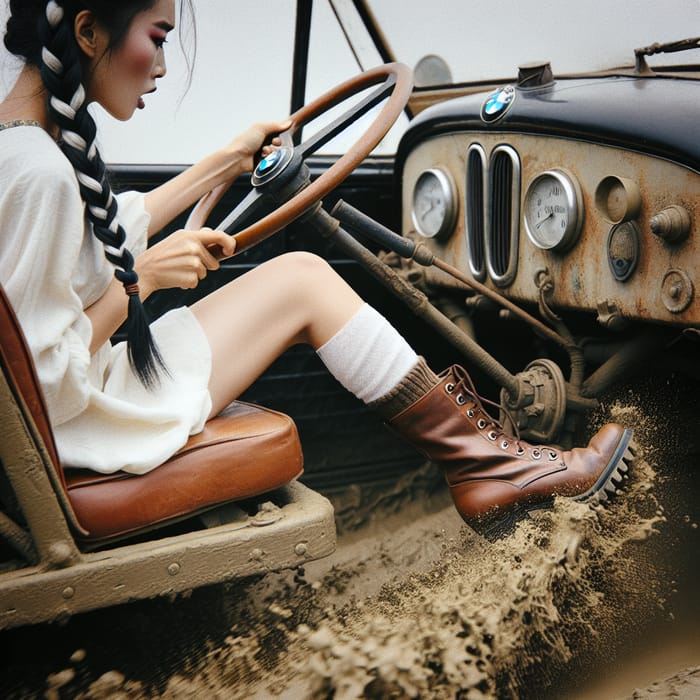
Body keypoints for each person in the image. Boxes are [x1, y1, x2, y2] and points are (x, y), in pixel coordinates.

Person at [0, 0, 632, 534]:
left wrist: (225, 162)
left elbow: (105, 231)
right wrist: (143, 278)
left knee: (300, 276)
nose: (162, 67)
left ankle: (487, 465)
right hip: (82, 420)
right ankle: (489, 467)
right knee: (305, 281)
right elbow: (38, 382)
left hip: (90, 392)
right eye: (157, 38)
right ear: (88, 33)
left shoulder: (23, 145)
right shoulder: (40, 174)